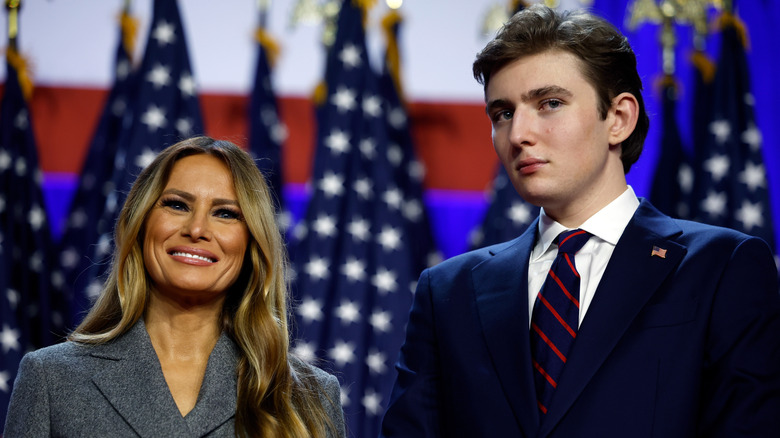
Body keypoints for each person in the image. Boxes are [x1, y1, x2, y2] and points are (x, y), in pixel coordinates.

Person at [381, 5, 780, 437]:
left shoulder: (722, 268)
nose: (518, 135)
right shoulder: (447, 293)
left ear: (619, 119)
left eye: (550, 103)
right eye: (503, 113)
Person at [4, 137, 346, 437]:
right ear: (140, 224)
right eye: (177, 205)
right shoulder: (51, 378)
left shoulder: (309, 396)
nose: (197, 229)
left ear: (251, 243)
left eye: (226, 213)